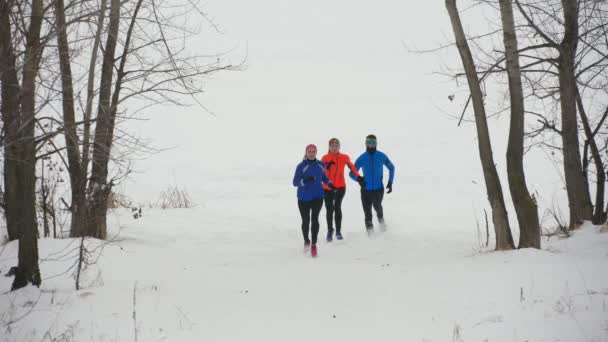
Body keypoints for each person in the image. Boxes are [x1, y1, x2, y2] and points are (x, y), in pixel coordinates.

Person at [293, 144, 334, 257]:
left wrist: (330, 183)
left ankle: (314, 244)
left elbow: (323, 177)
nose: (311, 153)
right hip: (303, 198)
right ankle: (306, 240)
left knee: (315, 219)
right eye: (309, 151)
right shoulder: (301, 166)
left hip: (318, 197)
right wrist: (305, 181)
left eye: (313, 151)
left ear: (316, 152)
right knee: (306, 221)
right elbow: (295, 182)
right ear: (306, 153)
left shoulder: (321, 164)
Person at [349, 134, 395, 236]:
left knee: (377, 207)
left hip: (379, 189)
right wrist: (359, 179)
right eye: (369, 143)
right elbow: (351, 173)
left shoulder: (381, 156)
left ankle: (381, 220)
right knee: (367, 212)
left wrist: (390, 182)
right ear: (365, 144)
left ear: (376, 144)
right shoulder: (361, 158)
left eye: (373, 143)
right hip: (365, 190)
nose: (371, 145)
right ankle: (370, 234)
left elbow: (392, 167)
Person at [321, 138, 365, 242]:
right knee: (329, 209)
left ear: (339, 147)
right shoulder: (325, 158)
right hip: (327, 188)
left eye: (336, 145)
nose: (334, 147)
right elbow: (321, 172)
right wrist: (327, 166)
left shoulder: (344, 157)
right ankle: (330, 230)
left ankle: (338, 231)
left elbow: (352, 167)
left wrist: (358, 177)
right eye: (332, 146)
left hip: (340, 187)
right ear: (329, 147)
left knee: (337, 207)